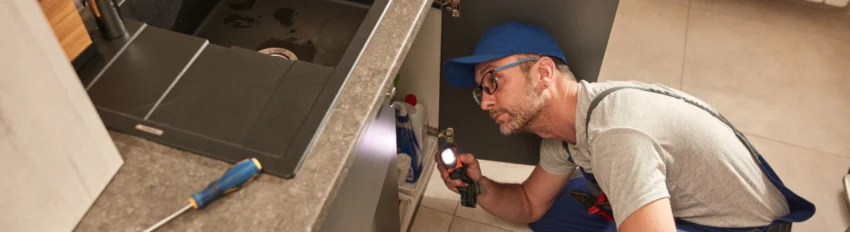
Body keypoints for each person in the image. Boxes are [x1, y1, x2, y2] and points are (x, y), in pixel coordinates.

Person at [436, 21, 815, 232]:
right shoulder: (567, 133)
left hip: (747, 228)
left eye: (492, 81)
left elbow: (620, 145)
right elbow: (530, 203)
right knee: (552, 212)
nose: (485, 101)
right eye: (479, 91)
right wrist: (479, 186)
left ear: (544, 73)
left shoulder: (615, 136)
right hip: (688, 200)